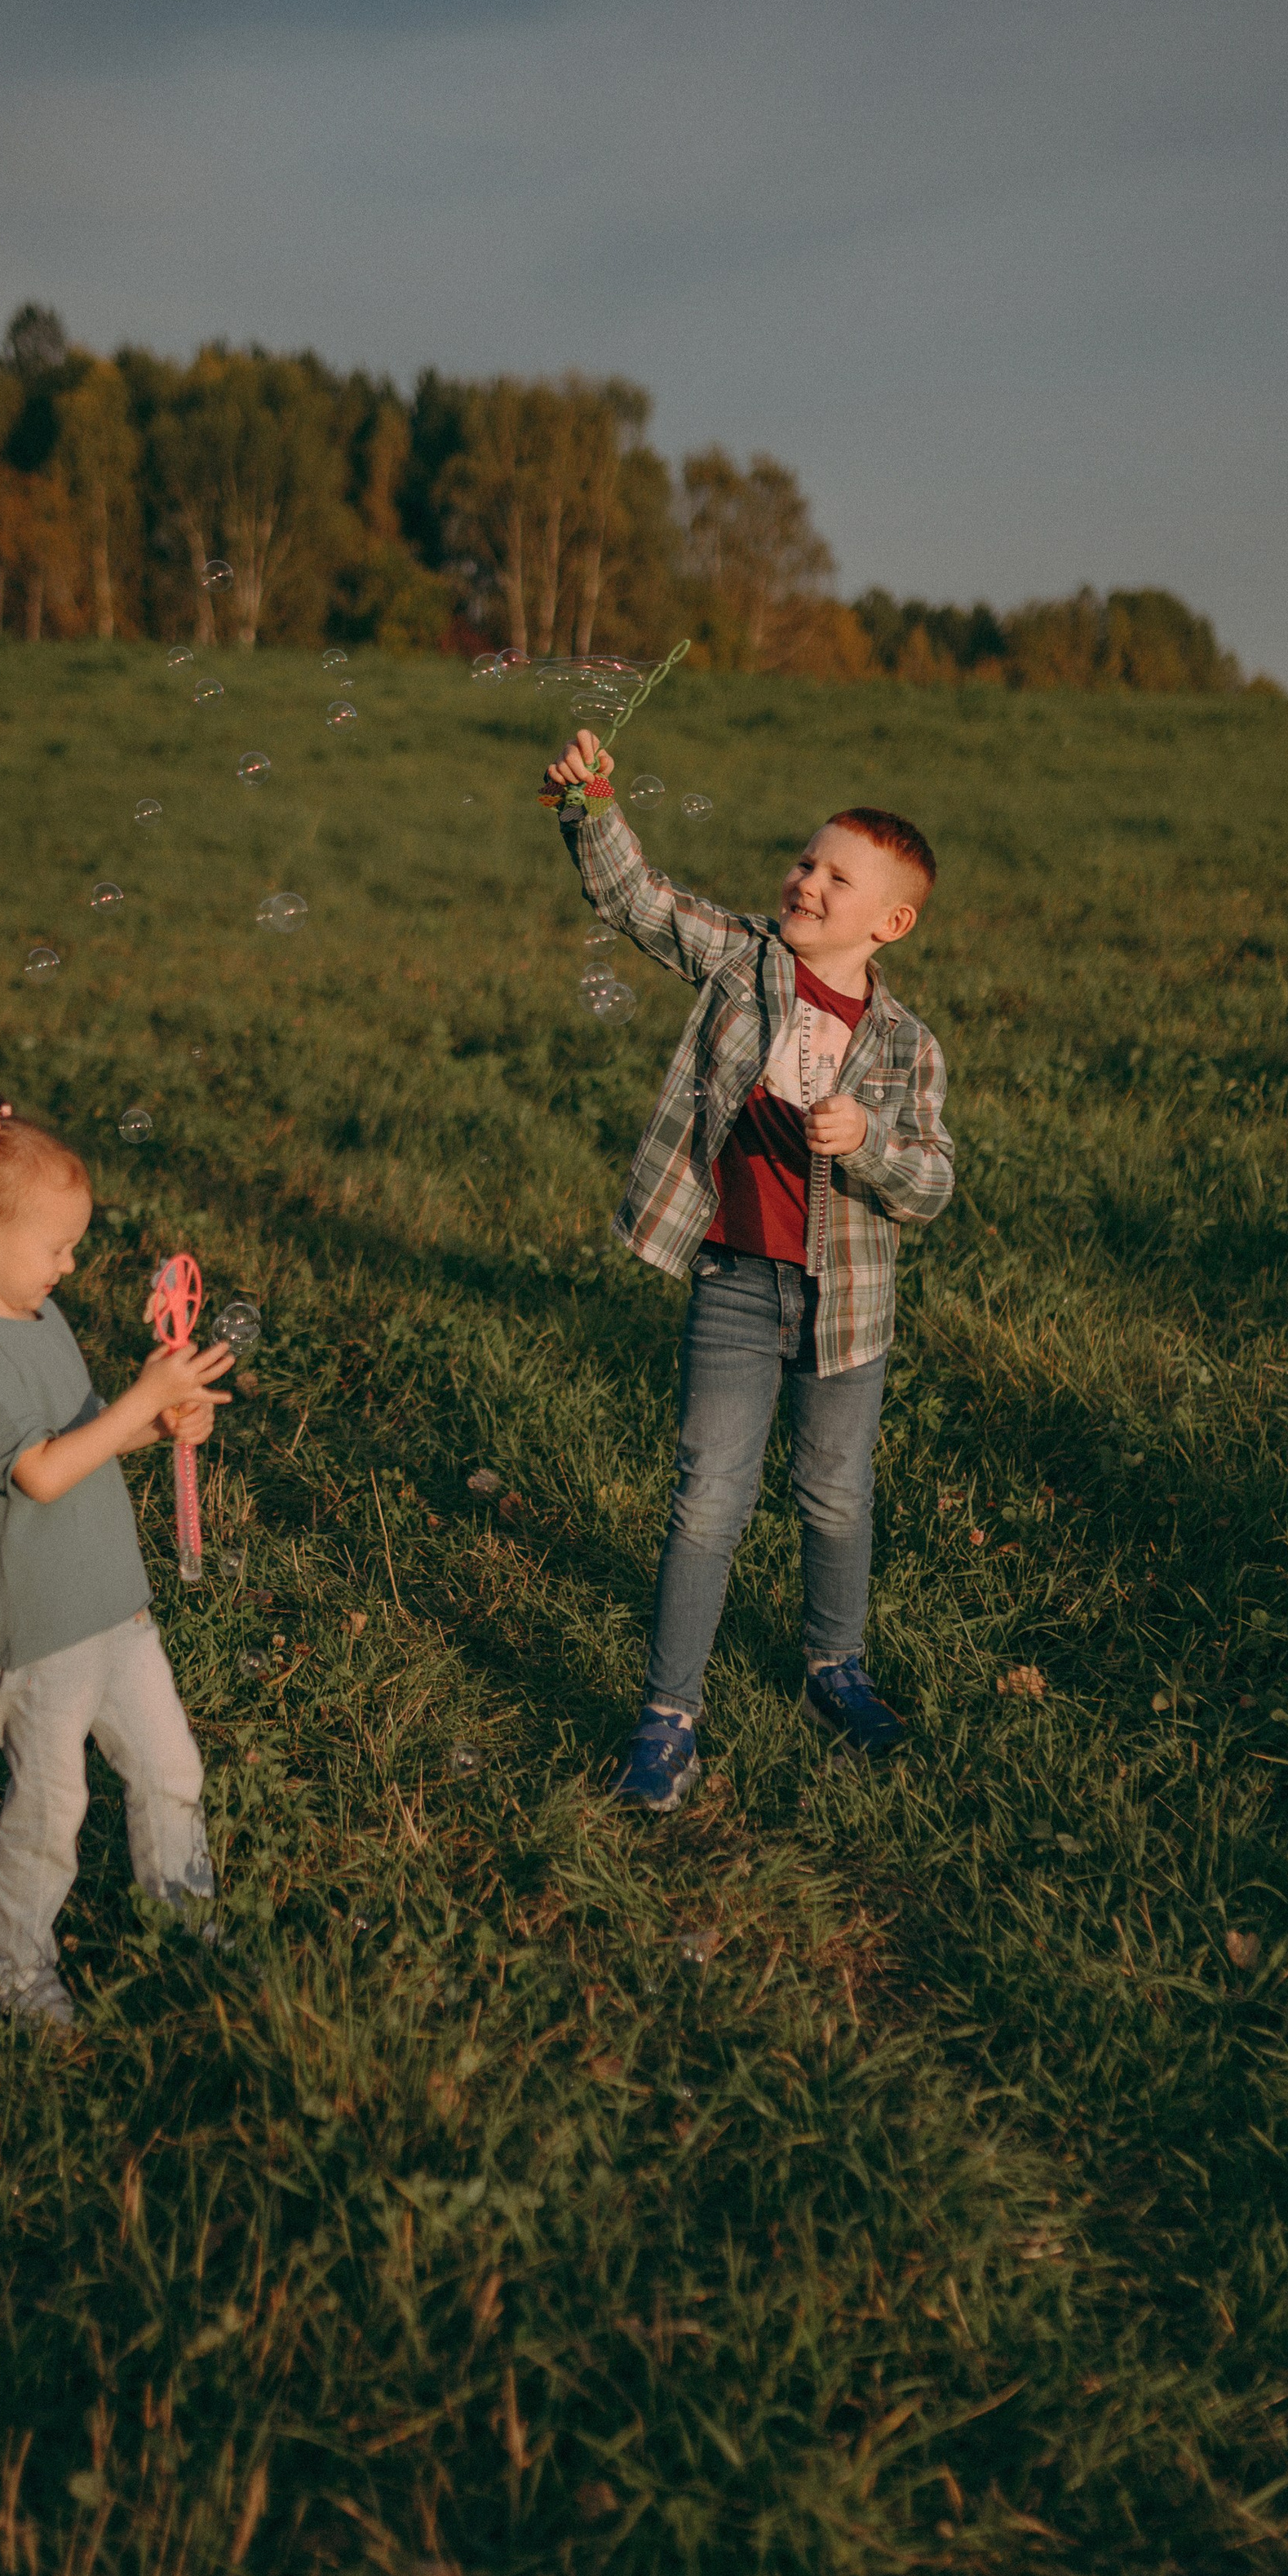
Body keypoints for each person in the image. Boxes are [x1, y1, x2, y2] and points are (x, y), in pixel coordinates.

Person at [543, 730, 954, 1811]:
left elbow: (928, 1186)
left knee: (834, 1490)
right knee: (707, 1501)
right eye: (805, 862)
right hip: (734, 1282)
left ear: (890, 922)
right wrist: (592, 807)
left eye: (836, 877)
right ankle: (667, 1718)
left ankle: (835, 1669)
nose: (806, 881)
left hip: (847, 1310)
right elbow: (642, 903)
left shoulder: (907, 1048)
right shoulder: (746, 959)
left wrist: (862, 1139)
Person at [0, 1096, 236, 2025]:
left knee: (171, 1768)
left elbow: (83, 1441)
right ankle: (17, 1974)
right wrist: (138, 1395)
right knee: (51, 1813)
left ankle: (187, 1931)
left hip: (112, 1604)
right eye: (57, 1246)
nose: (69, 1265)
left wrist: (159, 1419)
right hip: (38, 1631)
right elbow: (43, 1471)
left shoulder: (36, 1315)